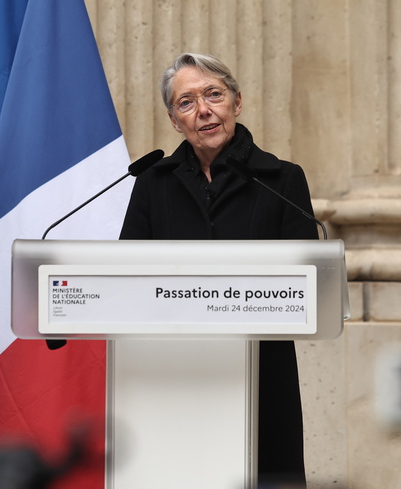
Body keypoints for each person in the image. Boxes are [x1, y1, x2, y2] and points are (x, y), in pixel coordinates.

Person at [119, 52, 320, 485]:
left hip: (262, 371)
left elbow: (309, 282)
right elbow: (127, 275)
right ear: (175, 121)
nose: (204, 110)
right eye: (187, 102)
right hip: (176, 372)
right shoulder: (153, 183)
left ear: (237, 102)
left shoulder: (282, 180)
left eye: (214, 94)